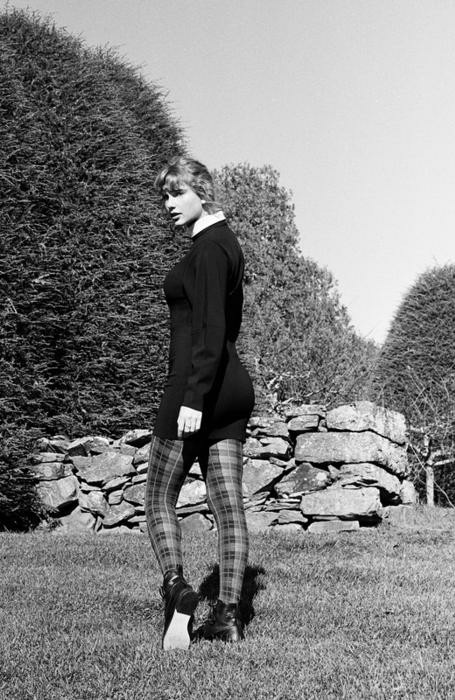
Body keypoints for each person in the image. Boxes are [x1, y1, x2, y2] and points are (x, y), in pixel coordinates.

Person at [145, 156, 254, 650]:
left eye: (177, 193)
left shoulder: (209, 249)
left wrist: (193, 398)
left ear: (202, 192)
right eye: (165, 196)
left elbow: (209, 328)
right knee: (228, 505)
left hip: (196, 388)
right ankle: (227, 618)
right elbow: (225, 326)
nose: (169, 204)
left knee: (157, 498)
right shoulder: (224, 242)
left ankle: (177, 590)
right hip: (231, 388)